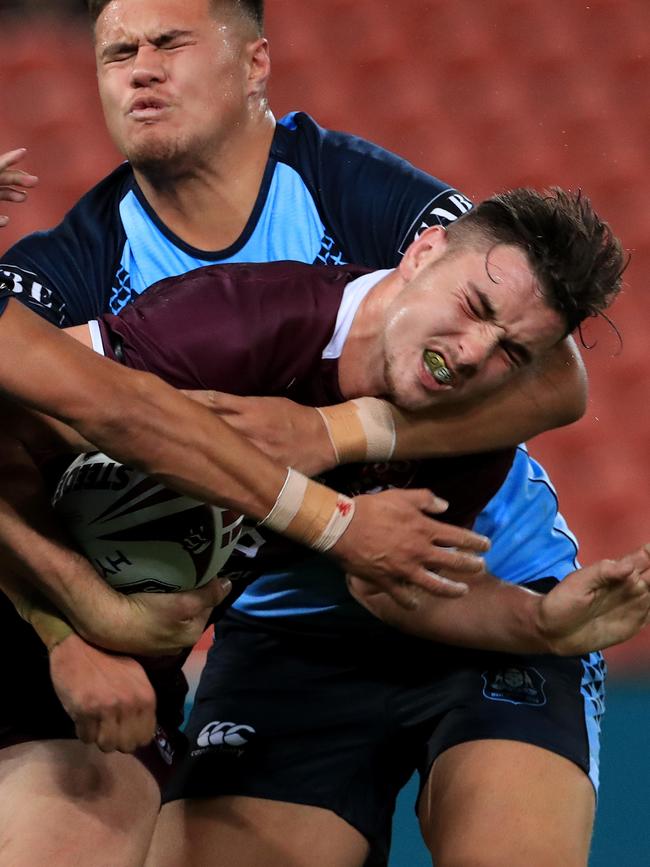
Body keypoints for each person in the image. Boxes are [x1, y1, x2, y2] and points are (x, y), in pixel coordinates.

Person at [0, 0, 625, 863]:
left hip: (476, 576)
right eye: (117, 52)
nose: (141, 67)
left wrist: (337, 431)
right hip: (284, 626)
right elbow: (85, 422)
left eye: (170, 42)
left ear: (257, 62)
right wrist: (72, 627)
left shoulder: (357, 197)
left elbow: (553, 369)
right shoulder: (86, 271)